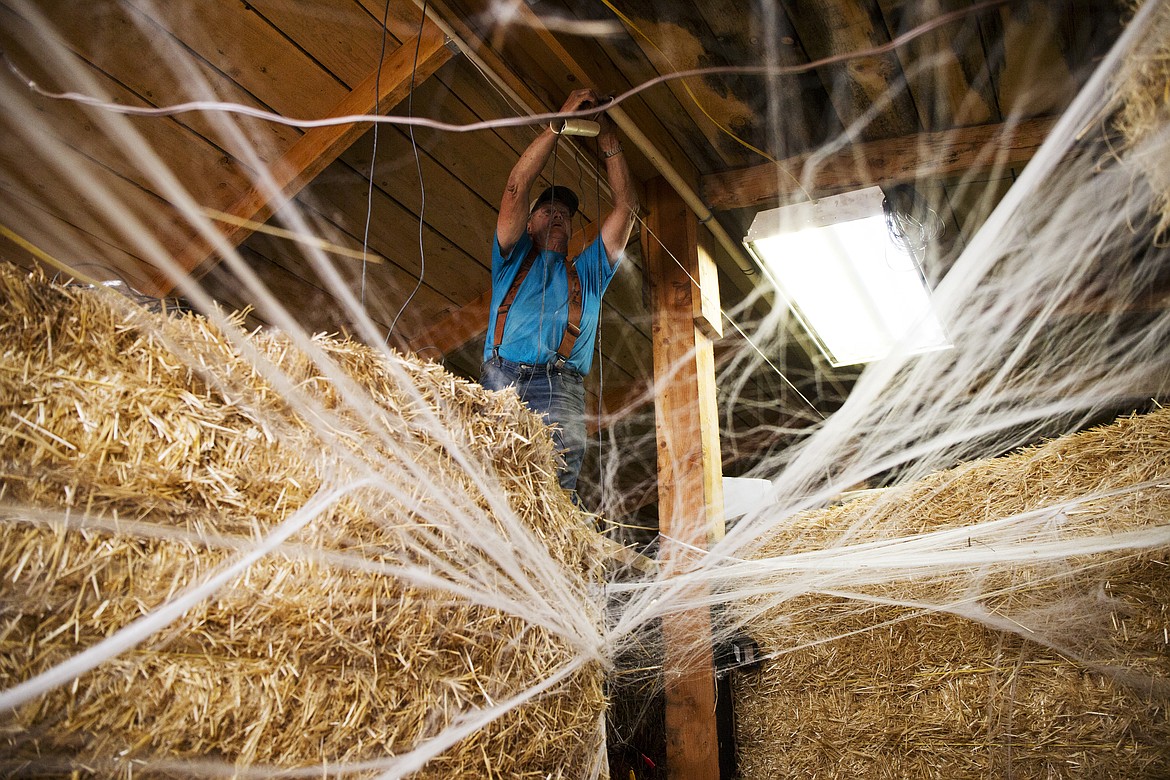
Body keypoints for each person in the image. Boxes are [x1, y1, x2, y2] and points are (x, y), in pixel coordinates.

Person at [480, 89, 638, 494]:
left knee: (553, 492)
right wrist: (557, 123)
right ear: (528, 225)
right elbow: (517, 186)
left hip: (562, 389)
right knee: (489, 479)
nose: (558, 217)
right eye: (547, 212)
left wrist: (609, 142)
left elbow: (626, 208)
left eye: (565, 215)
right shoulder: (511, 260)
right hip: (502, 381)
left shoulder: (588, 274)